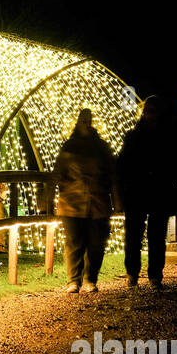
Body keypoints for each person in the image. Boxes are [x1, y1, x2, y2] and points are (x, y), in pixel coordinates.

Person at [50, 108, 122, 293]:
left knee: (96, 243)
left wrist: (116, 200)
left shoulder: (101, 148)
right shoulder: (70, 147)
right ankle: (74, 279)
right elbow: (58, 173)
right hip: (72, 203)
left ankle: (90, 278)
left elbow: (113, 175)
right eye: (83, 121)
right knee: (75, 242)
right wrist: (49, 198)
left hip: (97, 203)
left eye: (88, 121)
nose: (86, 124)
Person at [117, 94, 175, 289]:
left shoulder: (162, 136)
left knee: (155, 235)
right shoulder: (134, 136)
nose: (150, 115)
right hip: (139, 191)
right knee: (135, 234)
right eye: (148, 111)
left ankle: (154, 274)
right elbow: (123, 164)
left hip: (155, 191)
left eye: (153, 111)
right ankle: (133, 273)